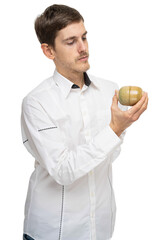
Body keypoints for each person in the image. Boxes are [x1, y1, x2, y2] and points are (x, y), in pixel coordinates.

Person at [21, 4, 148, 240]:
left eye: (84, 37)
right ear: (49, 51)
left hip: (99, 229)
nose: (83, 48)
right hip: (53, 233)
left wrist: (119, 128)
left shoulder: (109, 91)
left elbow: (109, 156)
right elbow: (63, 171)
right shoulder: (36, 103)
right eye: (71, 42)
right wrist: (115, 129)